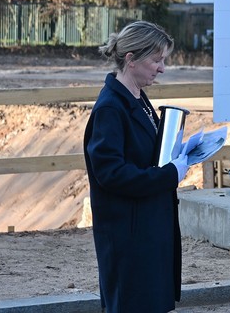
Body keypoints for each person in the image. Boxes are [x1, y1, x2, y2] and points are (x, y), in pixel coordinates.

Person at [83, 21, 188, 313]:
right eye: (156, 60)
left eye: (163, 60)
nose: (162, 68)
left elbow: (143, 155)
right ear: (131, 59)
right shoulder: (110, 108)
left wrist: (180, 153)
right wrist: (170, 174)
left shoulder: (137, 97)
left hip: (148, 228)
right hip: (128, 236)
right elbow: (110, 174)